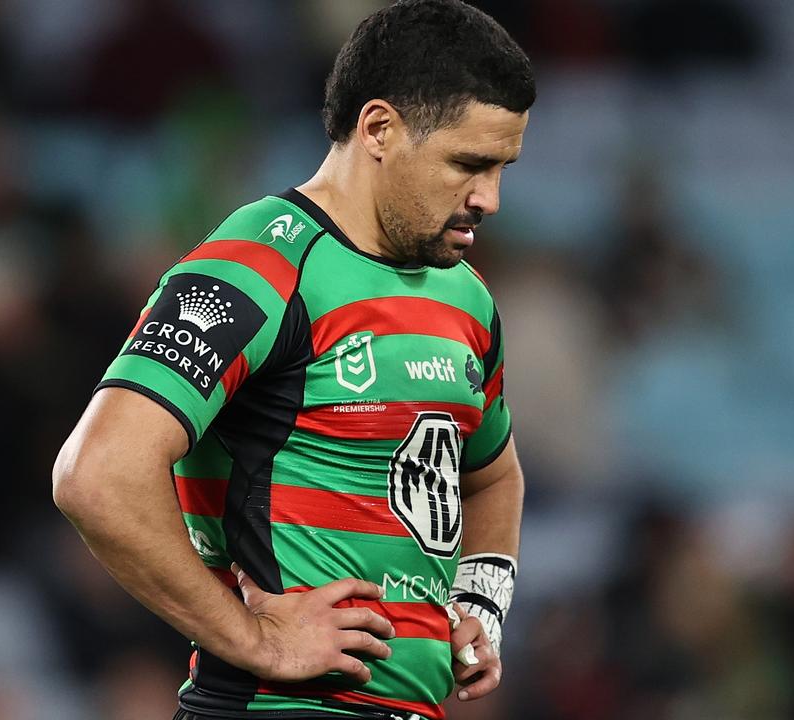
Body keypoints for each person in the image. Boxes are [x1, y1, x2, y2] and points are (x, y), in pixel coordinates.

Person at [52, 2, 534, 718]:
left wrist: (478, 604)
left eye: (502, 167)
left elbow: (494, 477)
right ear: (378, 129)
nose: (489, 197)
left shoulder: (465, 298)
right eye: (468, 163)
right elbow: (97, 475)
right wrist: (255, 640)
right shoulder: (262, 263)